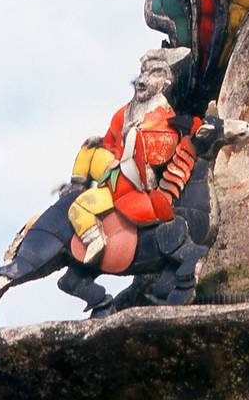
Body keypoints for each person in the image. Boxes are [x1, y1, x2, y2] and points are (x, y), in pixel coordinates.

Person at [67, 47, 193, 264]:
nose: (142, 80)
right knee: (89, 149)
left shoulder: (163, 114)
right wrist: (102, 143)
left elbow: (162, 150)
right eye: (143, 72)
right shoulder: (127, 110)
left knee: (79, 207)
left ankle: (94, 240)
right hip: (114, 166)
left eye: (153, 74)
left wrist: (137, 135)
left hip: (131, 180)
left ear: (165, 83)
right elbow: (111, 139)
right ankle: (74, 188)